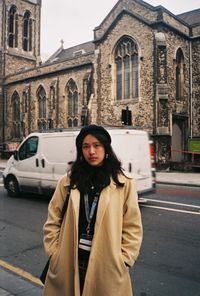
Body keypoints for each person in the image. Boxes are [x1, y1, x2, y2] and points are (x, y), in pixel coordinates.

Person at [42, 124, 143, 296]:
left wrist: (124, 260)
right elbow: (53, 220)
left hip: (107, 267)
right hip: (69, 262)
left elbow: (132, 226)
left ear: (106, 148)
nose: (91, 152)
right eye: (86, 146)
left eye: (97, 145)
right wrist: (54, 254)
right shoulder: (67, 181)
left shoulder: (124, 183)